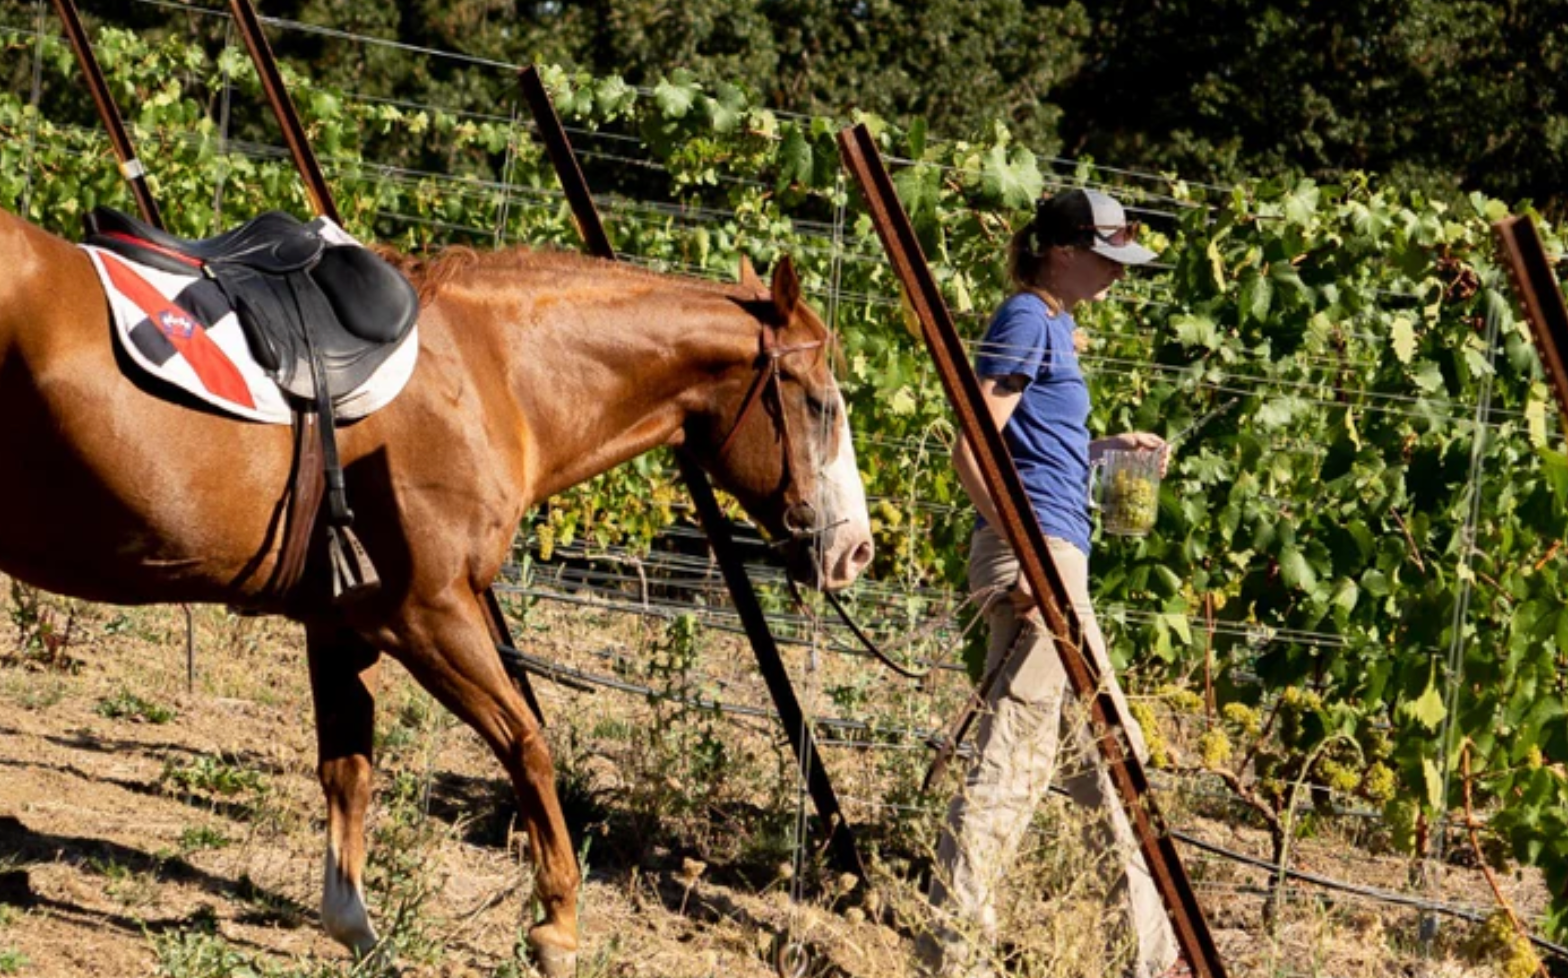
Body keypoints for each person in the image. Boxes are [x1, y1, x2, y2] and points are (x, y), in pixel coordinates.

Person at [920, 188, 1182, 978]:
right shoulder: (1027, 317)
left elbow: (1035, 446)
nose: (1118, 274)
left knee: (1107, 756)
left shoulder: (1058, 328)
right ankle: (948, 952)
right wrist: (1023, 552)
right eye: (1109, 257)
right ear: (1063, 250)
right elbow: (974, 447)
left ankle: (1151, 956)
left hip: (1057, 552)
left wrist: (1103, 448)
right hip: (1037, 558)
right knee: (1019, 756)